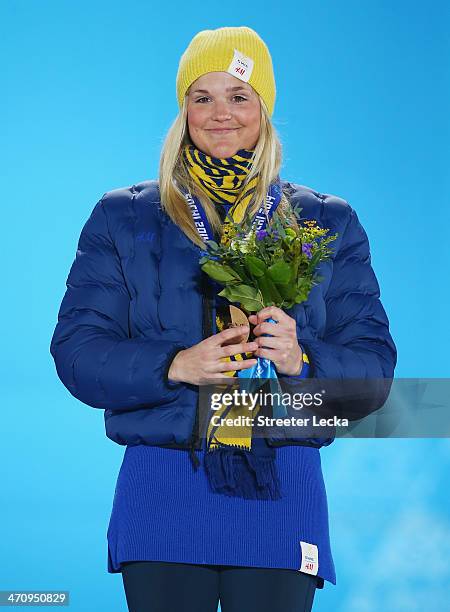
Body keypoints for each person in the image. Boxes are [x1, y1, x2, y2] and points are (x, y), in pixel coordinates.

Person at [50, 26, 397, 612]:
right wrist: (175, 366)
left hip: (280, 486)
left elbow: (374, 375)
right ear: (182, 108)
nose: (220, 115)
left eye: (239, 96)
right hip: (163, 486)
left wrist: (301, 359)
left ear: (265, 107)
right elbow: (78, 352)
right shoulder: (122, 216)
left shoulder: (326, 221)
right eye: (201, 97)